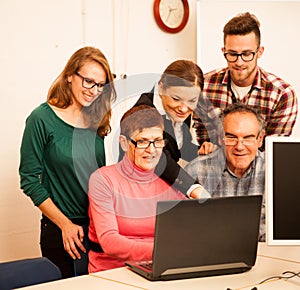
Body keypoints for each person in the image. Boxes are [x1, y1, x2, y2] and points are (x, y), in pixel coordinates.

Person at [19, 46, 116, 278]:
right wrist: (64, 224)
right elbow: (29, 181)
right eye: (88, 81)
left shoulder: (96, 119)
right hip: (62, 229)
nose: (94, 91)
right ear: (70, 75)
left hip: (97, 226)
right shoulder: (41, 118)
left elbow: (98, 176)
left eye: (100, 85)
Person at [88, 105, 187, 273]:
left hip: (161, 270)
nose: (151, 150)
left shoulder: (170, 180)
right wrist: (167, 250)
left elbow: (189, 230)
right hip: (113, 273)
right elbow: (110, 242)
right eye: (142, 141)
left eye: (157, 141)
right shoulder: (103, 180)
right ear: (124, 143)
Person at [194, 12, 298, 152]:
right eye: (232, 54)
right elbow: (202, 137)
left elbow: (271, 153)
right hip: (214, 170)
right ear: (223, 51)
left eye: (247, 54)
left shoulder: (282, 95)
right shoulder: (204, 87)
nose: (239, 62)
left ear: (260, 52)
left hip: (260, 172)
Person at [128, 60, 208, 199]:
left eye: (192, 101)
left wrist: (202, 151)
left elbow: (178, 146)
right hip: (139, 194)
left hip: (164, 190)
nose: (184, 108)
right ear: (161, 87)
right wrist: (192, 187)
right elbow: (158, 158)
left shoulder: (180, 108)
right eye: (176, 98)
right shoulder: (143, 113)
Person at [186, 103, 266, 241]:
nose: (239, 146)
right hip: (210, 252)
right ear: (219, 138)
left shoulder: (276, 173)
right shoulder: (195, 171)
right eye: (231, 137)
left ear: (260, 139)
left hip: (268, 256)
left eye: (248, 138)